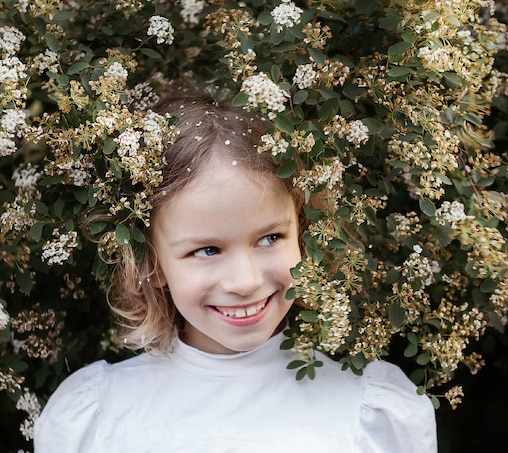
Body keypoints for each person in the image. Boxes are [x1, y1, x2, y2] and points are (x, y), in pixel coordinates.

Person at [34, 88, 437, 452]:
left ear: (305, 232)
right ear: (152, 262)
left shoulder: (368, 412)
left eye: (270, 239)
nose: (244, 282)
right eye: (207, 250)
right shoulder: (98, 415)